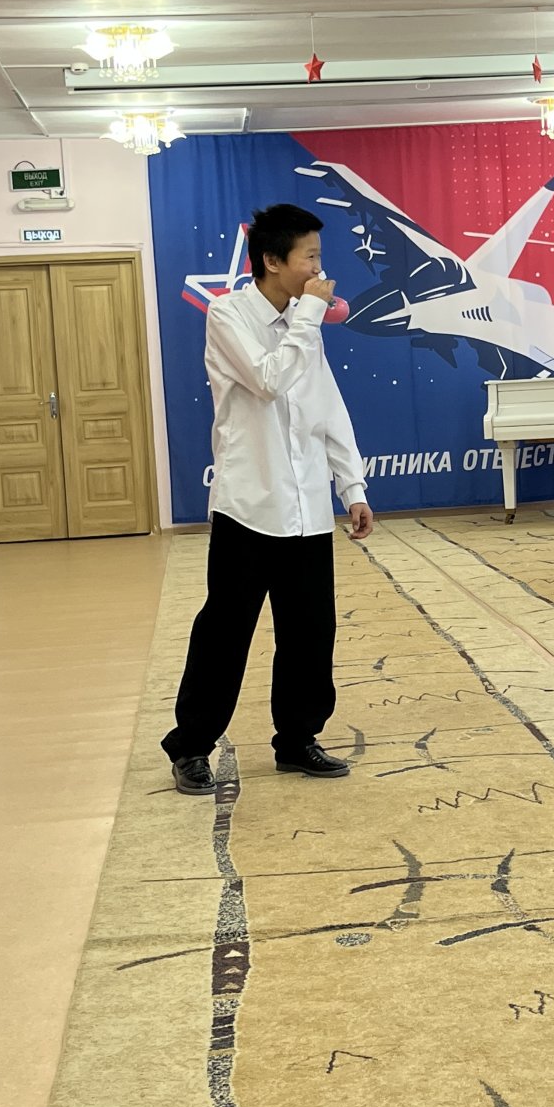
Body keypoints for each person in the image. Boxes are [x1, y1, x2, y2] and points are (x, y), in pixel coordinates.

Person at [162, 203, 374, 795]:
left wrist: (351, 486)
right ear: (273, 261)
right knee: (225, 632)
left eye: (319, 257)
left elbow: (328, 409)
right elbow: (268, 380)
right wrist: (309, 315)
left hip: (307, 509)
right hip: (249, 506)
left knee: (311, 631)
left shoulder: (305, 326)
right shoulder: (229, 314)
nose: (319, 270)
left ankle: (297, 740)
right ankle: (191, 746)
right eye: (311, 257)